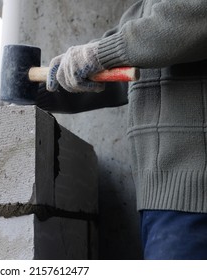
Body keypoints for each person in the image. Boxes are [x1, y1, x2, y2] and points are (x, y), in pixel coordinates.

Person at [46, 0, 207, 259]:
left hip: (197, 198)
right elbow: (112, 74)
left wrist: (101, 53)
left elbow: (185, 21)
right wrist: (28, 93)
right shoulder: (140, 10)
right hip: (160, 202)